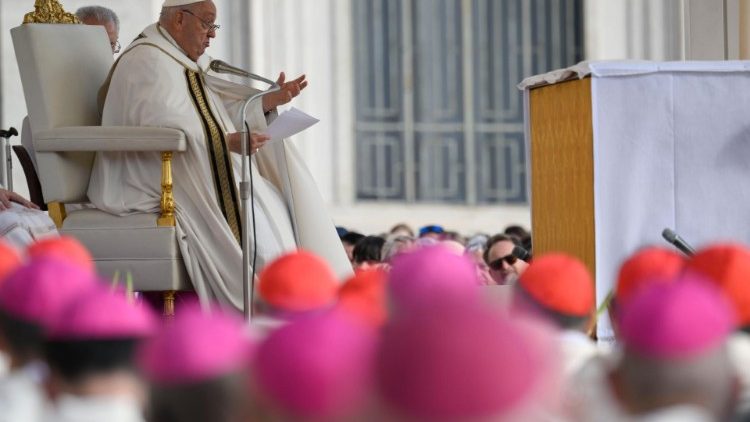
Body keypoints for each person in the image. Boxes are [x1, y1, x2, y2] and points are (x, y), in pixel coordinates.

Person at [87, 0, 351, 311]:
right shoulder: (147, 61)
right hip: (151, 175)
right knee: (257, 228)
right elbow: (161, 127)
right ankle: (265, 307)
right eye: (206, 23)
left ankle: (294, 300)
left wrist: (267, 101)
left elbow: (215, 113)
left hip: (202, 165)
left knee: (271, 202)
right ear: (179, 19)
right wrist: (225, 142)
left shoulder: (185, 61)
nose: (212, 34)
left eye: (214, 26)